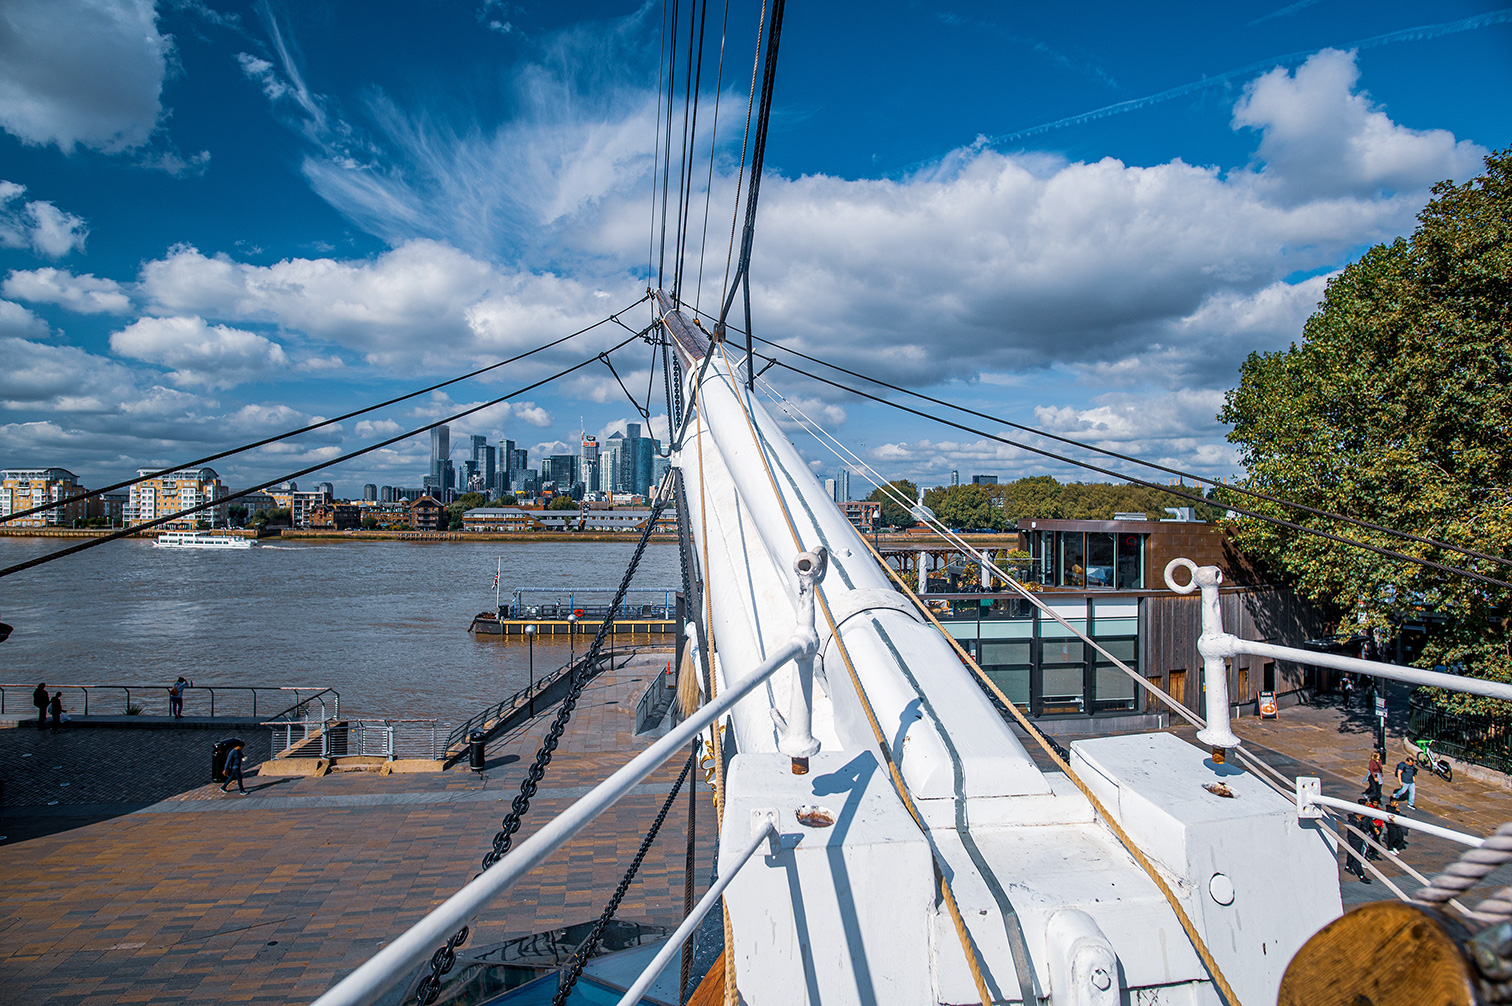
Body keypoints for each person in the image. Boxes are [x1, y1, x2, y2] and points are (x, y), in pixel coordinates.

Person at [1343, 811, 1371, 883]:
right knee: (1357, 857)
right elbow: (1355, 829)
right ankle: (1361, 875)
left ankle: (1348, 866)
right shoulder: (1353, 820)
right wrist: (1360, 823)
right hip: (1355, 840)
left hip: (1358, 839)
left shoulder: (1359, 820)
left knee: (1351, 853)